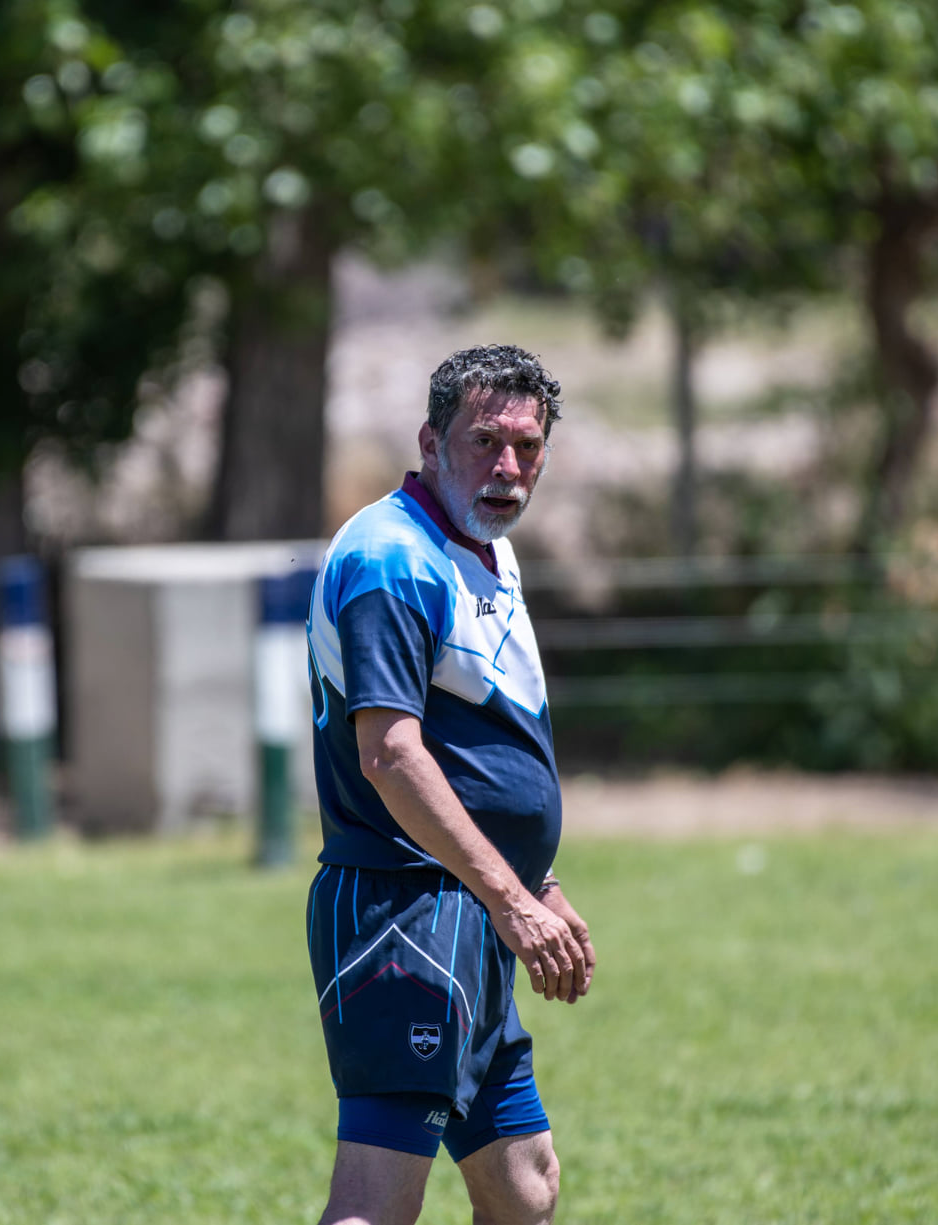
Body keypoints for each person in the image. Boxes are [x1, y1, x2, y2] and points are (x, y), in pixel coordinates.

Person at [304, 344, 596, 1225]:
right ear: (431, 442)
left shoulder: (480, 550)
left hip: (472, 903)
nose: (507, 467)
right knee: (376, 1198)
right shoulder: (390, 559)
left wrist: (534, 880)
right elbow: (391, 754)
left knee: (523, 1185)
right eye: (484, 441)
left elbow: (470, 743)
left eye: (527, 447)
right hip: (406, 911)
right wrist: (511, 897)